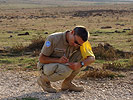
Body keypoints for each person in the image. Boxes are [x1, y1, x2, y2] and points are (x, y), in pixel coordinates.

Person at [37, 26, 95, 93]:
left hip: (62, 63)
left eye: (79, 44)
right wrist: (58, 60)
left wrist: (80, 64)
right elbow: (41, 59)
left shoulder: (81, 42)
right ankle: (43, 80)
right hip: (46, 66)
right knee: (65, 71)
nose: (76, 45)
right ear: (72, 32)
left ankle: (67, 84)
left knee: (82, 55)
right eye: (75, 41)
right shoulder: (53, 38)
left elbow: (91, 58)